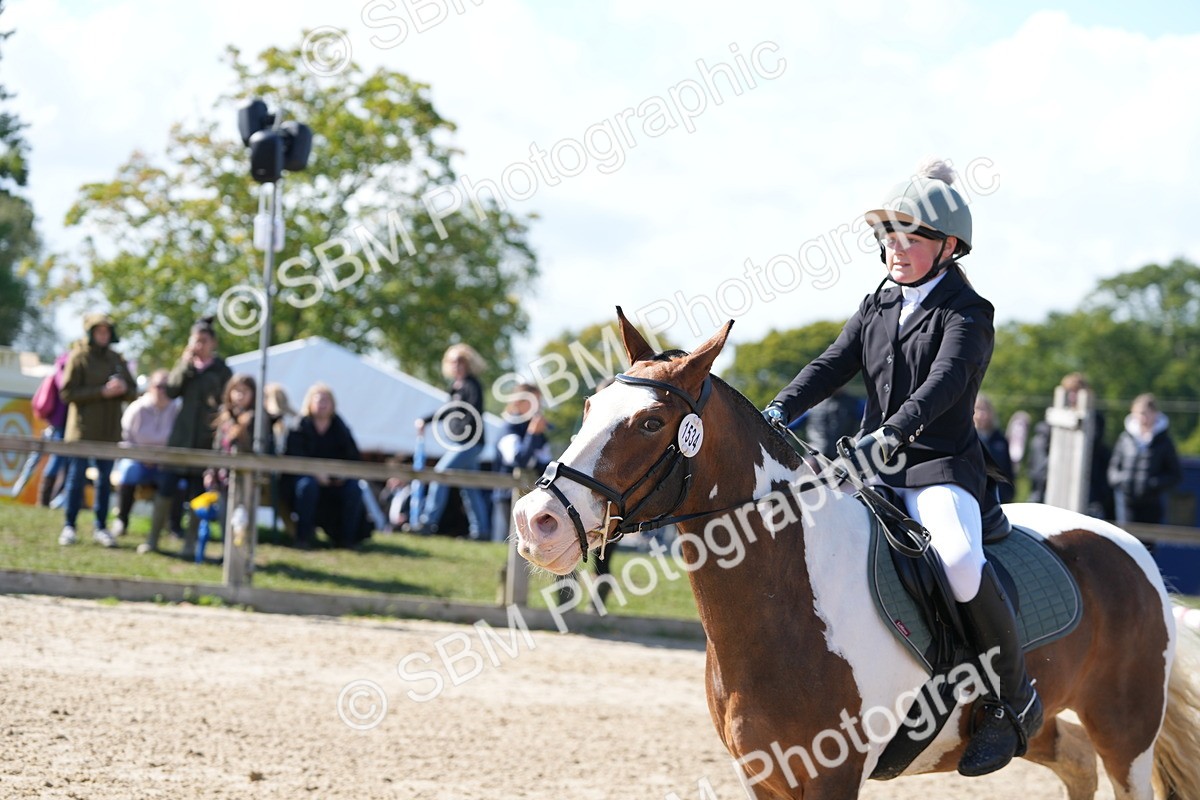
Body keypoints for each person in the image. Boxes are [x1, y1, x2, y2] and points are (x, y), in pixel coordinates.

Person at [761, 159, 1040, 776]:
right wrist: (778, 407)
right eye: (889, 235)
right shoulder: (879, 302)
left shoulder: (969, 313)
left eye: (911, 237)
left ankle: (1012, 698)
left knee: (962, 562)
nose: (896, 247)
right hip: (869, 463)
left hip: (938, 466)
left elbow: (943, 386)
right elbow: (833, 363)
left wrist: (891, 433)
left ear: (948, 247)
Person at [143, 316, 232, 557]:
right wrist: (184, 364)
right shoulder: (187, 367)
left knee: (197, 493)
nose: (199, 345)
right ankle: (152, 539)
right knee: (166, 488)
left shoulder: (222, 370)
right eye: (195, 341)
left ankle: (189, 543)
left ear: (213, 342)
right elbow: (171, 390)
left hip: (204, 440)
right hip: (180, 439)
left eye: (203, 340)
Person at [58, 313, 138, 547]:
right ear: (91, 333)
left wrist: (122, 388)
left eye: (106, 331)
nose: (103, 335)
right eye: (98, 331)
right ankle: (69, 525)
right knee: (76, 478)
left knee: (105, 480)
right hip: (82, 430)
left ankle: (101, 527)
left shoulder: (116, 358)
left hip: (109, 430)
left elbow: (133, 391)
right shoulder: (79, 356)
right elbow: (67, 393)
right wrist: (100, 392)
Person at [411, 344, 490, 538]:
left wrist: (462, 427)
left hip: (469, 443)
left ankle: (428, 522)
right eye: (454, 361)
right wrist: (426, 421)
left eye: (461, 361)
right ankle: (480, 531)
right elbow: (446, 410)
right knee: (468, 487)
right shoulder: (455, 387)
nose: (457, 365)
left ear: (468, 363)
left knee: (440, 475)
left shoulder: (472, 385)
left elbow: (474, 412)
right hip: (459, 443)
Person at [284, 383, 366, 548]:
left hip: (335, 482)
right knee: (307, 486)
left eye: (326, 401)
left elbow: (352, 455)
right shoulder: (300, 425)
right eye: (319, 400)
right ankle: (302, 538)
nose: (322, 405)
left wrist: (341, 475)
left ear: (332, 404)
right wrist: (315, 474)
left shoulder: (339, 426)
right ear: (310, 403)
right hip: (303, 479)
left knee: (354, 488)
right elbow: (294, 456)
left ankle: (347, 540)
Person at [1026, 372, 1112, 517]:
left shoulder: (1095, 423)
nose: (1073, 396)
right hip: (1052, 486)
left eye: (1077, 392)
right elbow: (1039, 463)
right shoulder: (1049, 424)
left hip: (1086, 490)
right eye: (1070, 392)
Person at [113, 369, 181, 538]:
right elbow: (125, 438)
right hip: (137, 460)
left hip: (165, 463)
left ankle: (174, 527)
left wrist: (161, 459)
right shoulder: (137, 408)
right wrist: (142, 458)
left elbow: (178, 441)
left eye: (167, 387)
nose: (163, 391)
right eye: (159, 386)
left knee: (180, 483)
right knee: (129, 472)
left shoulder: (176, 409)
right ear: (151, 387)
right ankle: (122, 520)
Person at [1108, 393, 1181, 532]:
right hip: (1126, 503)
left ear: (1155, 414)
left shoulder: (1164, 442)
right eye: (1139, 413)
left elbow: (1175, 474)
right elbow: (1113, 469)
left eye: (1146, 414)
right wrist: (1123, 481)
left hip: (1151, 505)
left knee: (1147, 546)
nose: (1142, 418)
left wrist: (1152, 484)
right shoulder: (1125, 439)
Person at [491, 383, 552, 542]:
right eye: (533, 401)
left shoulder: (537, 431)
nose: (538, 406)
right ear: (519, 402)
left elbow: (544, 465)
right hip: (508, 494)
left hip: (531, 494)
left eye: (539, 401)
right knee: (513, 542)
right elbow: (520, 460)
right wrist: (532, 434)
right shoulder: (509, 427)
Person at [798, 387, 863, 459]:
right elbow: (791, 425)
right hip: (815, 455)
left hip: (842, 456)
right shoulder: (813, 403)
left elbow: (871, 421)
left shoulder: (855, 404)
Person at [974, 393, 1015, 503]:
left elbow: (1008, 470)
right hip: (976, 495)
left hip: (1000, 497)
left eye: (984, 410)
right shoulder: (967, 438)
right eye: (977, 409)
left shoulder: (1000, 439)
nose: (981, 415)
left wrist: (1008, 493)